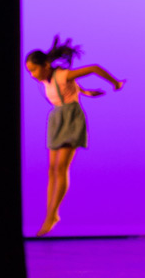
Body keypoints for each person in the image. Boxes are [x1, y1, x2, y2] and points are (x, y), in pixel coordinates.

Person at [24, 35, 125, 236]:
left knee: (61, 167)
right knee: (52, 169)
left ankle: (52, 215)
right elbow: (69, 89)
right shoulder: (47, 80)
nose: (32, 75)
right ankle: (50, 214)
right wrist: (86, 92)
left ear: (45, 65)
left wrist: (115, 82)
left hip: (71, 118)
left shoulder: (62, 74)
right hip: (56, 119)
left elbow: (94, 68)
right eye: (29, 71)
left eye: (34, 70)